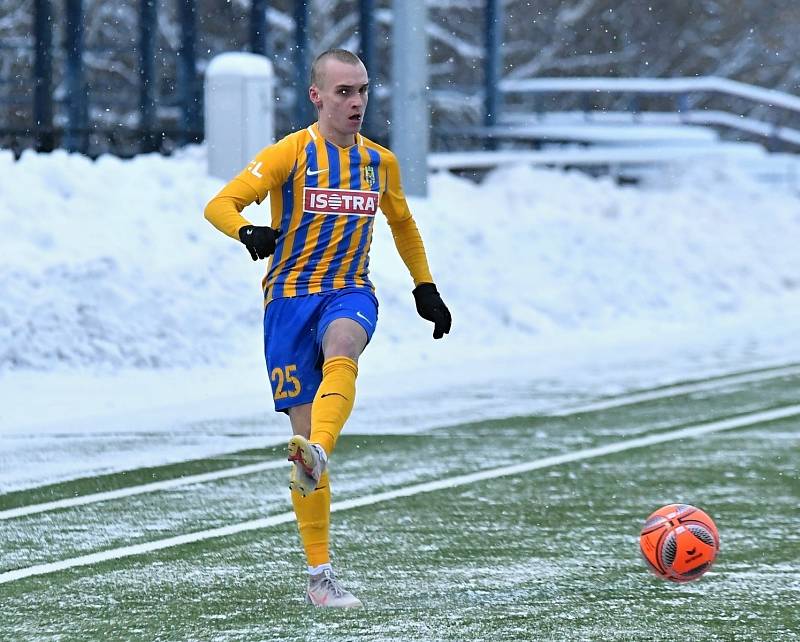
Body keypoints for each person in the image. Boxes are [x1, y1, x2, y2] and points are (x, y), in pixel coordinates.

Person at [204, 48, 451, 608]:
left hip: (348, 291)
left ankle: (319, 447)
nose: (357, 101)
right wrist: (247, 232)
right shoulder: (291, 154)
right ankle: (320, 576)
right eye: (344, 92)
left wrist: (425, 286)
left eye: (363, 90)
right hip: (288, 302)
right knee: (302, 450)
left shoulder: (379, 163)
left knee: (345, 345)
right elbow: (219, 204)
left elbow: (403, 224)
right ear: (317, 96)